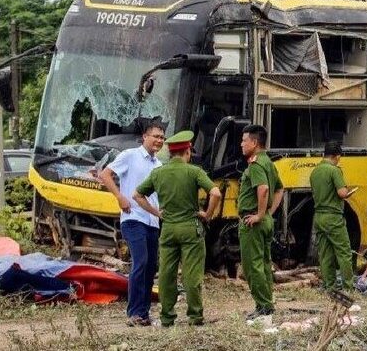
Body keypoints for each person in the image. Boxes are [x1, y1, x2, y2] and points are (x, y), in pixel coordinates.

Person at [133, 130, 222, 327]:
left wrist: (156, 212)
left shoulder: (158, 173)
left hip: (168, 230)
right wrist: (207, 214)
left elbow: (137, 195)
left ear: (171, 153)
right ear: (187, 151)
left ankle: (166, 316)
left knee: (166, 274)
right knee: (191, 274)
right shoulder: (194, 171)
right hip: (190, 228)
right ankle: (195, 316)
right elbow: (215, 193)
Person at [98, 120, 165, 327]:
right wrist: (119, 197)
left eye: (162, 138)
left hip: (152, 220)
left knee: (150, 266)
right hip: (132, 218)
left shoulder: (159, 165)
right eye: (155, 136)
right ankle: (134, 312)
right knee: (141, 261)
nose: (159, 141)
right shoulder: (130, 156)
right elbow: (105, 174)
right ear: (145, 136)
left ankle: (143, 313)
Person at [237, 124, 284, 322]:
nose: (241, 144)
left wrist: (259, 214)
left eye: (244, 140)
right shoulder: (269, 162)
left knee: (252, 266)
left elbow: (264, 189)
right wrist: (268, 213)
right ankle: (266, 304)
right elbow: (280, 189)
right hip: (265, 221)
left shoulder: (256, 164)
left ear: (255, 143)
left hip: (252, 222)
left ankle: (263, 307)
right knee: (264, 264)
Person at [310, 141, 354, 292]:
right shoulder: (334, 170)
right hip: (333, 216)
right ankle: (348, 288)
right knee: (344, 252)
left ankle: (330, 287)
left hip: (319, 216)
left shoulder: (315, 171)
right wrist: (348, 191)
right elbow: (342, 193)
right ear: (337, 156)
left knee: (325, 253)